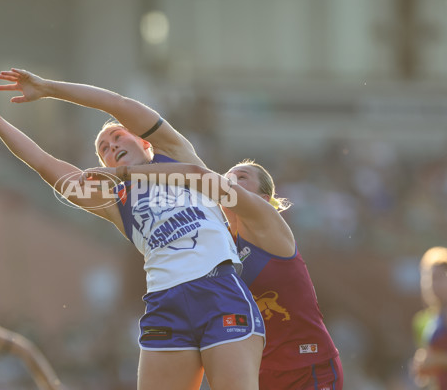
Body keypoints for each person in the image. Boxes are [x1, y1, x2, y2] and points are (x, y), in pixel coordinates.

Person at [0, 70, 265, 390]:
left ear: (144, 140)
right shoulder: (114, 200)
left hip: (217, 288)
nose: (110, 145)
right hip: (166, 304)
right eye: (103, 149)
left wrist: (49, 88)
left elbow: (116, 104)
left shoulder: (174, 152)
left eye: (118, 137)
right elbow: (43, 162)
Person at [81, 159, 343, 389]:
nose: (231, 180)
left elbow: (194, 170)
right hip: (261, 371)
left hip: (307, 364)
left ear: (263, 200)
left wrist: (125, 171)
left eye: (242, 178)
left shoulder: (269, 224)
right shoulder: (216, 244)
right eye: (228, 176)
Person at [411, 246, 447, 389]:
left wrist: (438, 361)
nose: (433, 284)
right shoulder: (422, 321)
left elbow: (435, 360)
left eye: (439, 277)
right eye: (428, 278)